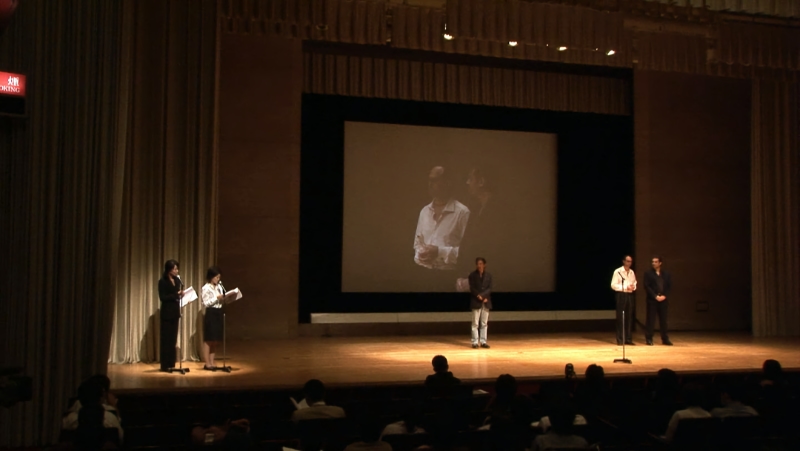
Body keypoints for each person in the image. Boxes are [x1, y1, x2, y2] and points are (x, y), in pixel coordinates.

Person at [413, 166, 470, 271]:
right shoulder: (424, 211)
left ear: (447, 183)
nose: (430, 184)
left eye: (434, 180)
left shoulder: (462, 212)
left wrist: (439, 251)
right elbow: (417, 244)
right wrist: (421, 254)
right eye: (429, 180)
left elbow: (468, 253)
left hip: (447, 275)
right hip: (421, 273)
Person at [158, 259, 183, 371]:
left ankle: (171, 364)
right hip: (166, 313)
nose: (177, 271)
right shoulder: (162, 281)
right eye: (175, 269)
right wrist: (175, 294)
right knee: (166, 339)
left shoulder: (177, 280)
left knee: (173, 340)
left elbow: (178, 293)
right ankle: (165, 365)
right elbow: (163, 297)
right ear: (169, 270)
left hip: (175, 312)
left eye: (177, 268)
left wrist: (181, 294)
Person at [644, 255, 673, 346]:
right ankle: (649, 338)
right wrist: (655, 296)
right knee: (651, 320)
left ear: (660, 263)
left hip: (663, 299)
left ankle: (665, 338)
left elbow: (669, 286)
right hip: (652, 300)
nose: (654, 263)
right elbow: (647, 286)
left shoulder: (666, 274)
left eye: (656, 262)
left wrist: (665, 296)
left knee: (663, 320)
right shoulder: (648, 273)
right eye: (653, 262)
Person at [201, 266, 225, 371]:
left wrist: (226, 298)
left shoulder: (219, 287)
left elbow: (222, 298)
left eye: (219, 277)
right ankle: (207, 363)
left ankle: (212, 362)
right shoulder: (206, 288)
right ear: (211, 277)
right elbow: (206, 303)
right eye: (216, 277)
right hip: (211, 313)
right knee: (209, 339)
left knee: (215, 339)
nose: (218, 279)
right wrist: (217, 298)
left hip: (219, 312)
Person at [610, 255, 637, 345]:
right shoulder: (618, 271)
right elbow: (613, 285)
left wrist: (633, 287)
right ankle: (620, 339)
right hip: (621, 295)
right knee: (621, 317)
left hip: (630, 295)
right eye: (628, 261)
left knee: (629, 317)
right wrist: (625, 287)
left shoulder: (632, 272)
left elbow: (634, 282)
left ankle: (628, 339)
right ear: (624, 261)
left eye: (631, 262)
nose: (629, 263)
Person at [469, 257, 492, 348]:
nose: (479, 265)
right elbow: (472, 288)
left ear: (484, 265)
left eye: (481, 264)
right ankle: (474, 342)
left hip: (486, 301)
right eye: (478, 264)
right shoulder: (472, 275)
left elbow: (489, 288)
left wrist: (484, 297)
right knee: (475, 323)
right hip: (476, 300)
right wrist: (478, 295)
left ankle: (483, 341)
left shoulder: (488, 276)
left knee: (484, 323)